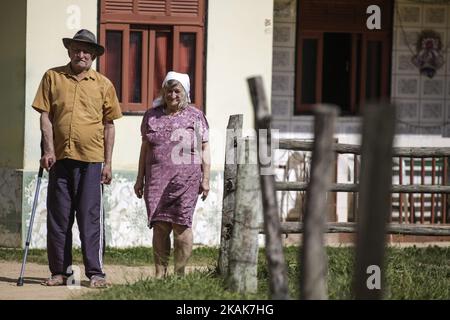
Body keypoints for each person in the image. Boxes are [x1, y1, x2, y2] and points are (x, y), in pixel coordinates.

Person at [32, 29, 122, 288]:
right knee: (59, 219)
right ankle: (61, 273)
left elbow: (109, 125)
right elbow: (45, 116)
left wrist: (109, 163)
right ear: (69, 51)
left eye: (86, 50)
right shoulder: (53, 77)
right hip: (59, 159)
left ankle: (96, 274)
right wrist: (48, 150)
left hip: (92, 161)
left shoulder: (103, 84)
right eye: (76, 49)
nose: (81, 54)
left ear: (93, 55)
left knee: (89, 218)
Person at [134, 71, 210, 278]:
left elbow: (204, 147)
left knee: (181, 224)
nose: (172, 95)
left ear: (185, 93)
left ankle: (179, 274)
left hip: (186, 180)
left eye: (177, 91)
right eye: (169, 90)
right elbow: (145, 148)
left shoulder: (195, 116)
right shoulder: (152, 115)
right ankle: (160, 274)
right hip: (156, 179)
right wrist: (140, 177)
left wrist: (206, 178)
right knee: (159, 226)